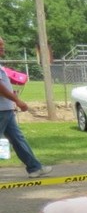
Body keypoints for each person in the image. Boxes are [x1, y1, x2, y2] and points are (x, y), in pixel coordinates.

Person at [0, 37, 51, 177]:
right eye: (0, 45)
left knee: (18, 139)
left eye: (3, 45)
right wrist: (17, 100)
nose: (3, 48)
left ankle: (35, 167)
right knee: (16, 139)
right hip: (1, 111)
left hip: (5, 110)